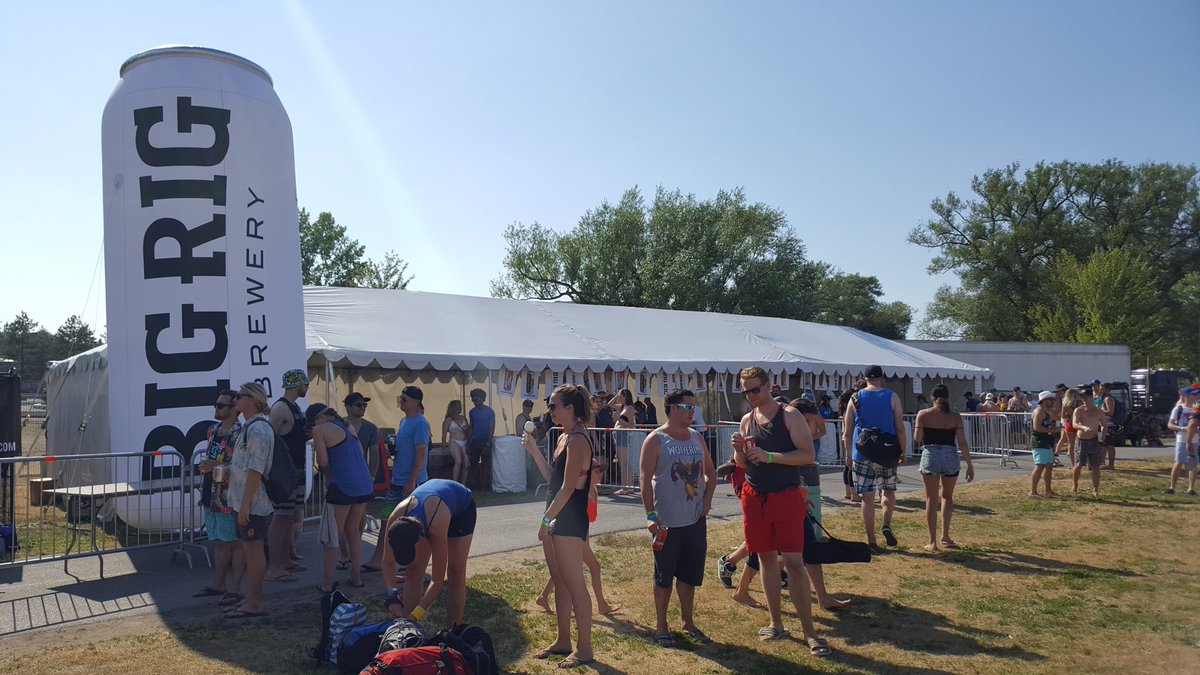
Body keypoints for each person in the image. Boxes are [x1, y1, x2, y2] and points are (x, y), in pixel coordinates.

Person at [730, 367, 830, 656]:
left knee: (795, 562)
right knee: (765, 559)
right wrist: (739, 450)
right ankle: (776, 623)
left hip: (785, 496)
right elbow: (744, 464)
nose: (750, 396)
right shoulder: (747, 420)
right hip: (754, 495)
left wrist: (771, 456)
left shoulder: (789, 415)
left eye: (754, 390)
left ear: (769, 386)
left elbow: (807, 455)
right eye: (745, 391)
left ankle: (810, 632)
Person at [639, 389, 717, 648]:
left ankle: (688, 622)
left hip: (694, 521)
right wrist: (650, 516)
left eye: (693, 407)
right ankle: (662, 626)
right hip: (666, 523)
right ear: (673, 408)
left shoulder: (696, 437)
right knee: (663, 577)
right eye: (688, 407)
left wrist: (706, 501)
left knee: (689, 575)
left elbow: (710, 473)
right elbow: (644, 480)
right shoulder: (655, 440)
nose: (692, 411)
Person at [535, 385, 596, 669]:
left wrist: (546, 520)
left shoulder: (578, 440)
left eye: (553, 406)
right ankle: (563, 641)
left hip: (569, 519)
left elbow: (570, 488)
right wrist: (534, 451)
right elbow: (554, 481)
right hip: (558, 514)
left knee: (575, 586)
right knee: (560, 581)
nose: (549, 411)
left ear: (569, 408)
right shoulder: (564, 438)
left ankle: (584, 649)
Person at [381, 479, 476, 627]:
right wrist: (392, 595)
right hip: (429, 508)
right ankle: (408, 629)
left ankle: (453, 630)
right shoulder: (395, 519)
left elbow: (437, 580)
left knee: (455, 572)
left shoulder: (435, 526)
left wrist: (417, 613)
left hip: (461, 509)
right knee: (413, 571)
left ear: (421, 537)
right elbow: (387, 562)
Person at [536, 458, 620, 616]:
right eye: (596, 471)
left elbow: (586, 520)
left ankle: (544, 596)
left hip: (580, 536)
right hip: (573, 536)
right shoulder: (581, 492)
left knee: (565, 570)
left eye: (601, 471)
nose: (600, 474)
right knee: (592, 567)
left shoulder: (592, 491)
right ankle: (601, 605)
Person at [308, 403, 374, 592]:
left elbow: (323, 462)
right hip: (363, 483)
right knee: (353, 532)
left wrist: (328, 477)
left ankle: (327, 584)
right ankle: (356, 578)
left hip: (343, 484)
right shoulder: (348, 426)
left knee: (332, 536)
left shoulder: (320, 430)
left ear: (318, 419)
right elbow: (359, 453)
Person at [224, 382, 275, 619]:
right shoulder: (250, 427)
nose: (235, 401)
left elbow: (256, 469)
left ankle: (255, 602)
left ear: (252, 400)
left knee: (254, 552)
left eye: (239, 397)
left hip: (254, 503)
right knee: (249, 550)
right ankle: (250, 598)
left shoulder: (258, 430)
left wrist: (245, 504)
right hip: (246, 500)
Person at [842, 365, 906, 549]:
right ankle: (886, 524)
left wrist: (848, 454)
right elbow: (900, 427)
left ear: (865, 378)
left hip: (862, 452)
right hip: (887, 451)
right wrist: (903, 450)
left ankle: (871, 539)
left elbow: (847, 431)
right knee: (887, 491)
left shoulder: (855, 398)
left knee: (867, 497)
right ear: (881, 378)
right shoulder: (892, 396)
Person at [193, 389, 244, 606]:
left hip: (228, 495)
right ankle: (219, 583)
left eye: (221, 406)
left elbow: (243, 466)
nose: (216, 409)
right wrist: (209, 466)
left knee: (234, 542)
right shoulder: (212, 430)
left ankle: (235, 588)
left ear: (234, 409)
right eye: (216, 405)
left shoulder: (240, 433)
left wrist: (216, 465)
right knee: (218, 541)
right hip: (210, 492)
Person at [913, 384, 974, 551]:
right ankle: (945, 536)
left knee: (931, 500)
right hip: (950, 456)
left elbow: (917, 439)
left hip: (931, 454)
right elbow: (962, 442)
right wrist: (969, 464)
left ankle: (932, 542)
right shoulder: (955, 417)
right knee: (947, 497)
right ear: (948, 398)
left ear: (932, 398)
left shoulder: (923, 414)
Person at [265, 368, 310, 584]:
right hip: (286, 472)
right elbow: (268, 439)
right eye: (305, 384)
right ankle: (275, 567)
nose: (307, 388)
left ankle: (285, 561)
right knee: (281, 518)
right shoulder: (280, 408)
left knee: (289, 518)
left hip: (297, 469)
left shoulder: (295, 408)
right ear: (297, 384)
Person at [342, 392, 380, 569]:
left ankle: (355, 544)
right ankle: (344, 553)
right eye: (358, 405)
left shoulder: (371, 428)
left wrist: (371, 476)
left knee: (360, 513)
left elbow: (375, 454)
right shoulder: (339, 425)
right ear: (348, 407)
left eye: (364, 405)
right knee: (341, 517)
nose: (363, 408)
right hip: (342, 476)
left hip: (362, 476)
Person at [1072, 390, 1106, 496]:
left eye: (1085, 397)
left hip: (1094, 440)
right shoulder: (1079, 410)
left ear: (1091, 397)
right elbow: (1074, 423)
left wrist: (1103, 434)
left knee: (1095, 466)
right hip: (1082, 440)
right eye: (1082, 397)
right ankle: (1075, 484)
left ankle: (1095, 489)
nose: (1084, 400)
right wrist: (1083, 427)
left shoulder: (1099, 411)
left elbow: (1104, 424)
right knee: (1078, 465)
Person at [1167, 387, 1199, 495]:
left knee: (1193, 465)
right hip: (1181, 439)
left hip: (1195, 440)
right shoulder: (1178, 409)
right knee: (1179, 462)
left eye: (1196, 395)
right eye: (1193, 395)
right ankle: (1172, 487)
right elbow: (1170, 425)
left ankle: (1191, 489)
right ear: (1185, 396)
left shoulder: (1197, 409)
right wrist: (1182, 429)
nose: (1195, 397)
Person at [1029, 391, 1060, 496]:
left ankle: (1048, 490)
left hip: (1047, 442)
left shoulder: (1048, 411)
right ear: (1043, 401)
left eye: (1053, 400)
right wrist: (1054, 430)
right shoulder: (1039, 411)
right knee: (1040, 466)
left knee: (1049, 466)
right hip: (1039, 442)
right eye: (1050, 400)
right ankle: (1033, 491)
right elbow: (1037, 428)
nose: (1052, 402)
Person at [466, 388, 495, 492]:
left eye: (476, 399)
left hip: (485, 440)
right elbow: (471, 428)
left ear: (482, 399)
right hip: (475, 441)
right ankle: (477, 485)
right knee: (474, 464)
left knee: (485, 464)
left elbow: (492, 429)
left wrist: (488, 443)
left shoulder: (490, 411)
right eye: (473, 399)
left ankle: (484, 486)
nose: (474, 401)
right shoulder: (472, 412)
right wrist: (468, 444)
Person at [610, 389, 638, 495]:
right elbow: (610, 404)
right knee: (623, 462)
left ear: (627, 397)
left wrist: (619, 419)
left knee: (624, 462)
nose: (620, 398)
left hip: (622, 434)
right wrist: (617, 395)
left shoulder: (629, 408)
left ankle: (626, 487)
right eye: (619, 396)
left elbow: (632, 425)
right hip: (618, 434)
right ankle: (628, 486)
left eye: (622, 396)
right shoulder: (622, 407)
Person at [442, 400, 469, 485]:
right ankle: (455, 484)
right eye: (458, 406)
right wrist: (444, 446)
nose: (460, 408)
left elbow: (468, 431)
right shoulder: (448, 420)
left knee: (466, 464)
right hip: (454, 441)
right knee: (458, 461)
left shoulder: (463, 418)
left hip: (464, 441)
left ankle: (463, 485)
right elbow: (444, 434)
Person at [1058, 387, 1083, 467]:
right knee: (1080, 443)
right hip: (1079, 423)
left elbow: (1062, 415)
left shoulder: (1065, 403)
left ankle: (1073, 464)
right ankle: (1082, 462)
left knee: (1071, 444)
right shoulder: (1079, 402)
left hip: (1069, 423)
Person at [1095, 383, 1117, 470]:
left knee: (1109, 445)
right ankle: (1102, 462)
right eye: (1100, 389)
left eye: (1102, 389)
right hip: (1100, 425)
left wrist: (1099, 411)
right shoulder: (1101, 399)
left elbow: (1110, 412)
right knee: (1102, 444)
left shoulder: (1108, 399)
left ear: (1108, 390)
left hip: (1108, 425)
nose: (1100, 391)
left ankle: (1111, 464)